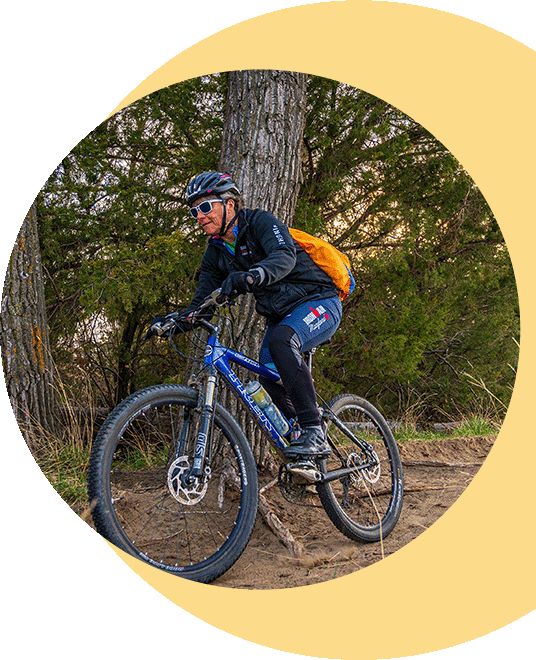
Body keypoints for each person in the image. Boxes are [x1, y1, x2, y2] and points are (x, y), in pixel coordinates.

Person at [154, 171, 343, 460]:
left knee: (281, 342)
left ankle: (314, 432)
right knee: (268, 373)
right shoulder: (216, 253)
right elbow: (201, 303)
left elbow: (284, 255)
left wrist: (254, 276)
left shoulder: (260, 222)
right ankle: (301, 442)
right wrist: (173, 323)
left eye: (206, 207)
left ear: (230, 204)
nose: (199, 216)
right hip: (281, 317)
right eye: (194, 211)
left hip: (320, 302)